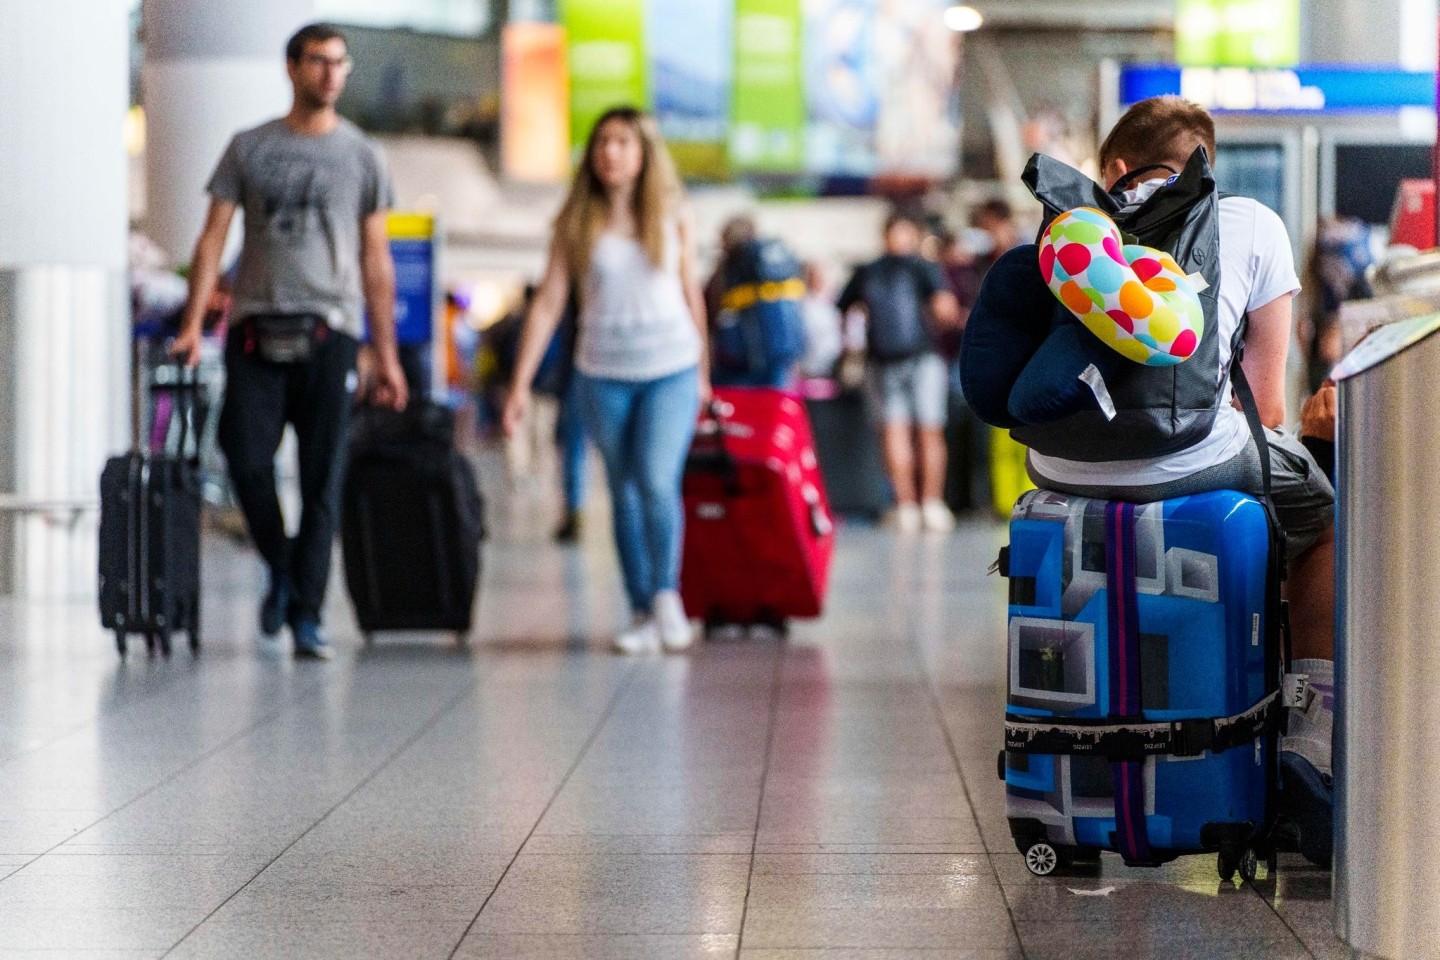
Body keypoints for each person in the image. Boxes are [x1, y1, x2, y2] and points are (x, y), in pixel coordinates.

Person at [1020, 96, 1337, 867]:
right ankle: (1311, 729)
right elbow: (1265, 404)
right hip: (1193, 452)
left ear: (1114, 170)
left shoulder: (1066, 226)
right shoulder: (1250, 221)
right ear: (1201, 164)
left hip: (1059, 465)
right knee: (1318, 515)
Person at [171, 22, 409, 660]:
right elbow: (212, 238)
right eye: (317, 61)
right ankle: (280, 564)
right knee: (244, 458)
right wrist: (194, 324)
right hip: (255, 327)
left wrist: (384, 353)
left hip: (331, 331)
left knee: (321, 477)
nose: (330, 74)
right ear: (292, 67)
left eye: (339, 63)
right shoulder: (249, 147)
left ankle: (307, 616)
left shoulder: (362, 155)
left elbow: (376, 258)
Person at [502, 106, 708, 655]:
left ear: (643, 153)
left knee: (658, 481)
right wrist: (520, 383)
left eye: (622, 142)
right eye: (602, 143)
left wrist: (704, 372)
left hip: (671, 369)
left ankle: (668, 595)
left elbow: (691, 292)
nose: (611, 152)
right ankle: (640, 607)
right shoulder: (575, 222)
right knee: (622, 492)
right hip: (603, 373)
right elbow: (548, 304)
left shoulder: (672, 211)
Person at [837, 212, 962, 532]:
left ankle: (904, 505)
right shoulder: (923, 267)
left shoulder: (867, 271)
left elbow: (843, 309)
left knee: (894, 432)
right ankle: (931, 503)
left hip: (882, 361)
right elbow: (944, 310)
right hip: (923, 358)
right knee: (930, 432)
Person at [797, 261, 843, 379]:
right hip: (809, 369)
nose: (824, 281)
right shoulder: (803, 305)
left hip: (833, 368)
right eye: (819, 276)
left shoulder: (837, 303)